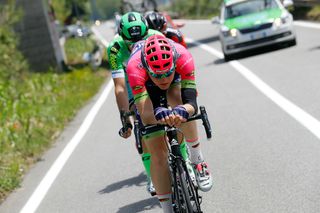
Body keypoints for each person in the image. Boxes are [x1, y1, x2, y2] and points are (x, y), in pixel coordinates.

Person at [127, 35, 213, 213]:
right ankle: (167, 209)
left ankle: (197, 158)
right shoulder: (134, 67)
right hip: (146, 87)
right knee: (158, 154)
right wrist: (158, 113)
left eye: (167, 72)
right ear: (148, 68)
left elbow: (192, 104)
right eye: (158, 75)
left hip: (176, 85)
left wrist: (183, 110)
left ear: (174, 64)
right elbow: (145, 114)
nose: (163, 78)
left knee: (178, 99)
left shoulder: (184, 57)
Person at [107, 11, 162, 196]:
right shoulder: (115, 48)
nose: (136, 46)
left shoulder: (156, 36)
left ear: (147, 33)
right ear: (122, 38)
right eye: (131, 43)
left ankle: (186, 158)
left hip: (154, 69)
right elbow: (120, 87)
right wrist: (125, 118)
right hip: (131, 78)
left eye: (140, 40)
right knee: (141, 120)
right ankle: (151, 175)